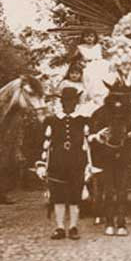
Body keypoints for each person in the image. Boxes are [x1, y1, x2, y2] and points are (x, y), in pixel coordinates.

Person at [39, 87, 91, 240]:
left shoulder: (83, 120)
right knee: (58, 196)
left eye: (72, 101)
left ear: (77, 102)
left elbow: (89, 143)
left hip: (77, 162)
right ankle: (60, 227)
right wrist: (42, 164)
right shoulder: (51, 120)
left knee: (75, 196)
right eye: (66, 101)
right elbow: (45, 143)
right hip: (57, 163)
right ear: (61, 102)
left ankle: (74, 227)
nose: (69, 104)